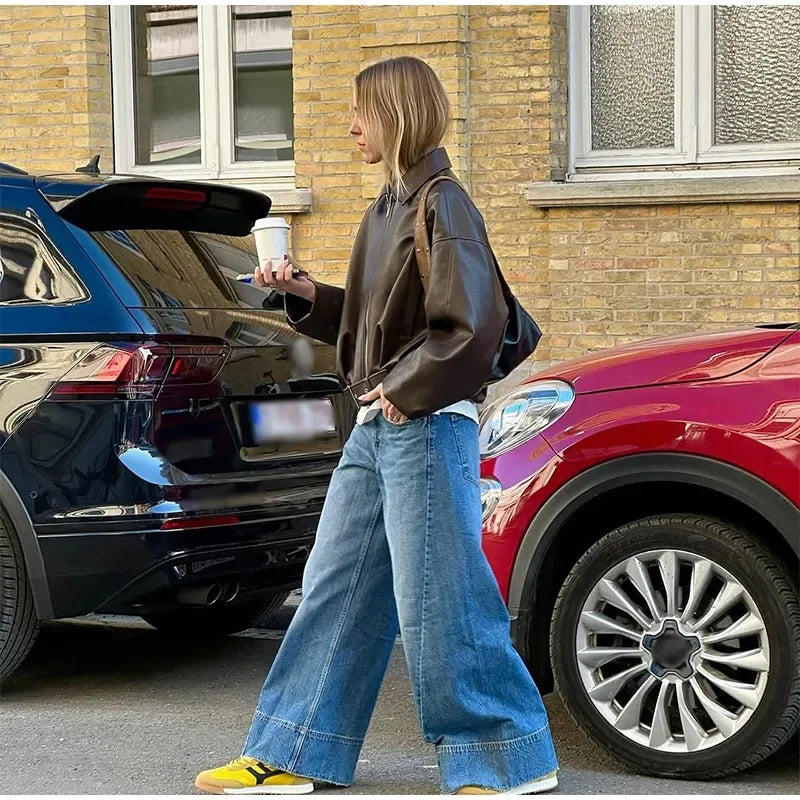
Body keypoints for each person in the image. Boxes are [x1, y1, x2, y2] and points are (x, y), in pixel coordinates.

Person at [195, 56, 558, 796]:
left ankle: (504, 756)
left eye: (362, 111)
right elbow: (372, 324)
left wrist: (406, 389)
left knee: (442, 595)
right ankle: (297, 748)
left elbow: (475, 325)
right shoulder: (387, 206)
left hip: (424, 420)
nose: (351, 125)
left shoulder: (443, 203)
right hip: (379, 419)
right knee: (336, 583)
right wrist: (301, 290)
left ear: (396, 114)